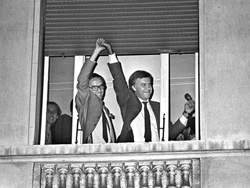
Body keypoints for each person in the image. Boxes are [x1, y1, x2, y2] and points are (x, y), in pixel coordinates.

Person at [97, 38, 195, 142]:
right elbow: (119, 79)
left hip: (155, 153)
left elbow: (171, 133)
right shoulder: (127, 102)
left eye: (150, 85)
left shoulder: (158, 107)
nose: (148, 88)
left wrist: (186, 113)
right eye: (143, 85)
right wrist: (110, 52)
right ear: (134, 87)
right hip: (133, 153)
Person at [75, 38, 116, 144]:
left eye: (101, 86)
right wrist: (96, 52)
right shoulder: (85, 103)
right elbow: (82, 79)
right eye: (94, 87)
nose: (99, 90)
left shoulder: (104, 110)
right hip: (93, 153)